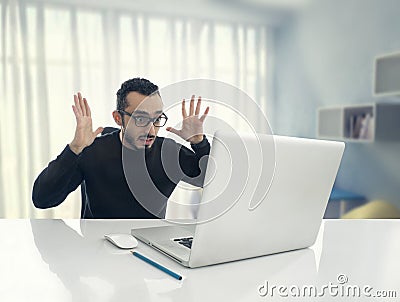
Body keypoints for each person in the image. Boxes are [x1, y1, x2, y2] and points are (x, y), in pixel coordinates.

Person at [32, 78, 210, 218]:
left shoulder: (169, 153)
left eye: (156, 119)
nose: (151, 130)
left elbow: (211, 182)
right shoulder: (92, 151)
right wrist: (75, 148)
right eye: (140, 119)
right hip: (96, 249)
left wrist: (199, 143)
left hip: (150, 248)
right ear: (118, 119)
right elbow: (42, 199)